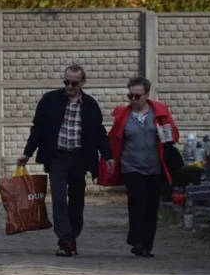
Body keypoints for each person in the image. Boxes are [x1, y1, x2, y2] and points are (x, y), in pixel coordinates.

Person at [16, 64, 113, 257]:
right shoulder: (50, 100)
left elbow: (99, 133)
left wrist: (108, 156)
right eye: (66, 81)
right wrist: (27, 153)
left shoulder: (91, 105)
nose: (69, 86)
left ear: (82, 83)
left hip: (79, 157)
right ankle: (65, 240)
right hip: (57, 156)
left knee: (76, 201)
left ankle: (73, 234)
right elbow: (38, 129)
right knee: (59, 199)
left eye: (74, 83)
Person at [105, 77, 180, 258]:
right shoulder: (124, 116)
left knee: (151, 206)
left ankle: (146, 246)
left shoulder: (160, 114)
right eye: (130, 95)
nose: (133, 99)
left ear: (146, 95)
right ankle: (136, 240)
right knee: (137, 202)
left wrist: (166, 133)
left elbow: (174, 135)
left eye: (137, 96)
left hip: (155, 167)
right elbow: (114, 139)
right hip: (131, 165)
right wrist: (110, 159)